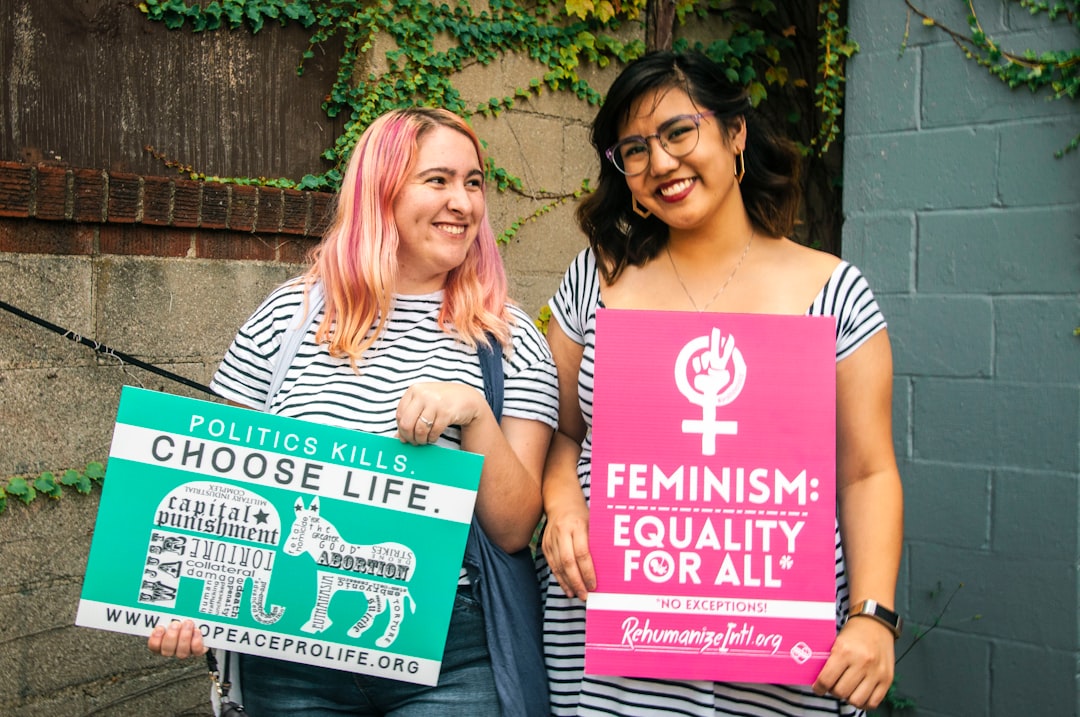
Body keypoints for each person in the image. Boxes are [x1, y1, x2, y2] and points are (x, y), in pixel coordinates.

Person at [147, 107, 559, 716]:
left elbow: (514, 528)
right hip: (287, 659)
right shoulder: (288, 317)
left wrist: (474, 414)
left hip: (451, 654)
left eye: (473, 183)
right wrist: (186, 600)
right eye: (438, 180)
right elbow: (216, 487)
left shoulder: (508, 337)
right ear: (381, 192)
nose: (464, 203)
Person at [537, 51, 904, 716]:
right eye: (635, 149)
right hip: (615, 629)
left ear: (735, 134)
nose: (661, 163)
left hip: (779, 653)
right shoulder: (595, 281)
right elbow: (561, 433)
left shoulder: (834, 291)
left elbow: (868, 472)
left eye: (680, 131)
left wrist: (874, 615)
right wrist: (563, 508)